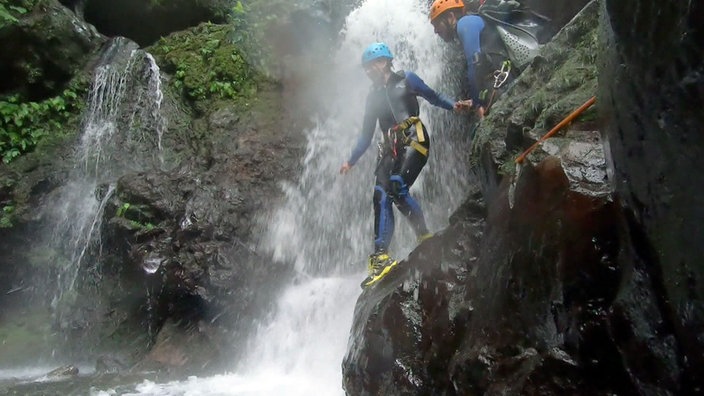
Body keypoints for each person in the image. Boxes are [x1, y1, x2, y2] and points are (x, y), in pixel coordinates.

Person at [339, 42, 470, 287]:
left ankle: (424, 235)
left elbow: (434, 96)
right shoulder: (373, 96)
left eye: (372, 65)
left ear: (385, 62)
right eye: (366, 68)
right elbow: (366, 134)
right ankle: (380, 257)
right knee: (380, 195)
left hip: (413, 138)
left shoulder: (407, 79)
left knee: (398, 185)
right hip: (389, 148)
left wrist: (454, 105)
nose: (369, 71)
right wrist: (351, 160)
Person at [429, 0, 546, 118]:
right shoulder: (470, 24)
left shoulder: (465, 23)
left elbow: (475, 63)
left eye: (437, 24)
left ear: (450, 17)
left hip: (502, 83)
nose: (435, 31)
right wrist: (475, 101)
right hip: (503, 82)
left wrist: (477, 104)